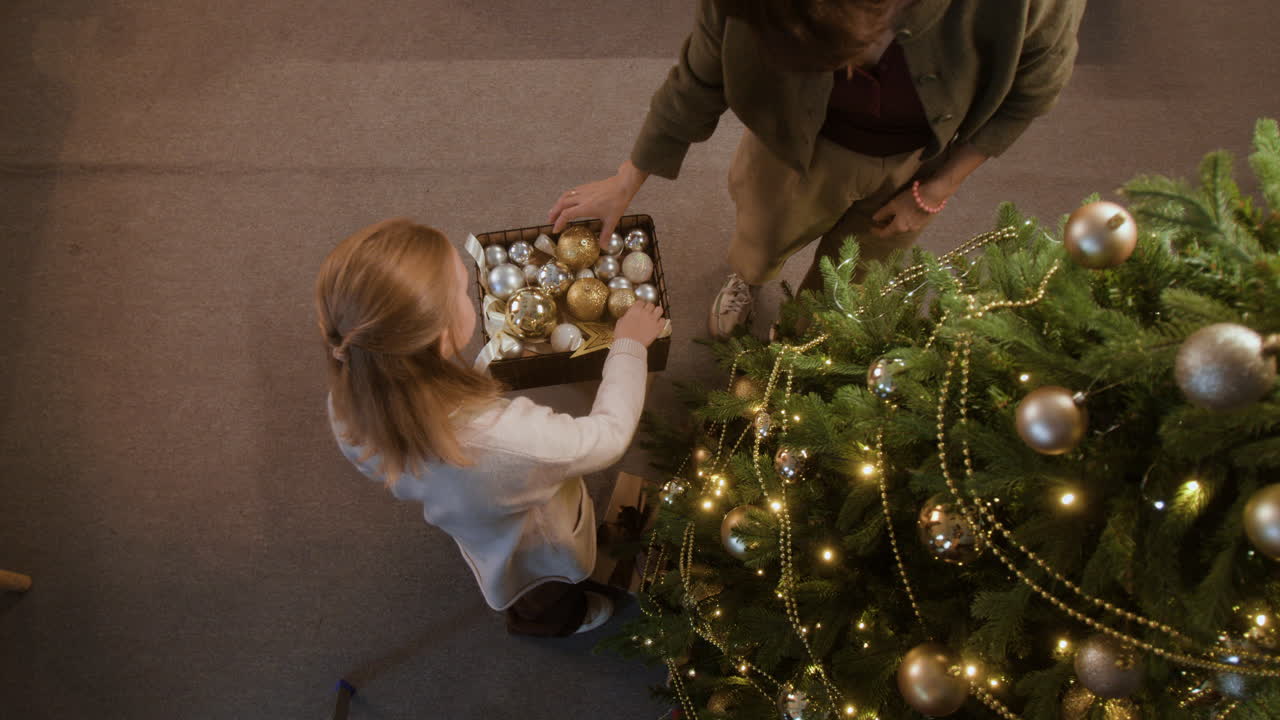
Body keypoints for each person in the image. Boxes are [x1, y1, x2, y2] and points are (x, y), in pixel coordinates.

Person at [547, 0, 1085, 339]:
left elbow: (1031, 91)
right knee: (762, 233)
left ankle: (802, 339)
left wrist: (938, 189)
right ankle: (750, 281)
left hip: (917, 164)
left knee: (857, 277)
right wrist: (627, 178)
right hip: (788, 144)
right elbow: (701, 71)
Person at [315, 218, 667, 637]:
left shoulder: (350, 395)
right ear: (442, 337)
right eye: (464, 292)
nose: (473, 295)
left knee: (517, 574)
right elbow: (606, 438)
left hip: (465, 517)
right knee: (543, 589)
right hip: (531, 539)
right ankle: (555, 621)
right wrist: (628, 346)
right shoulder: (506, 440)